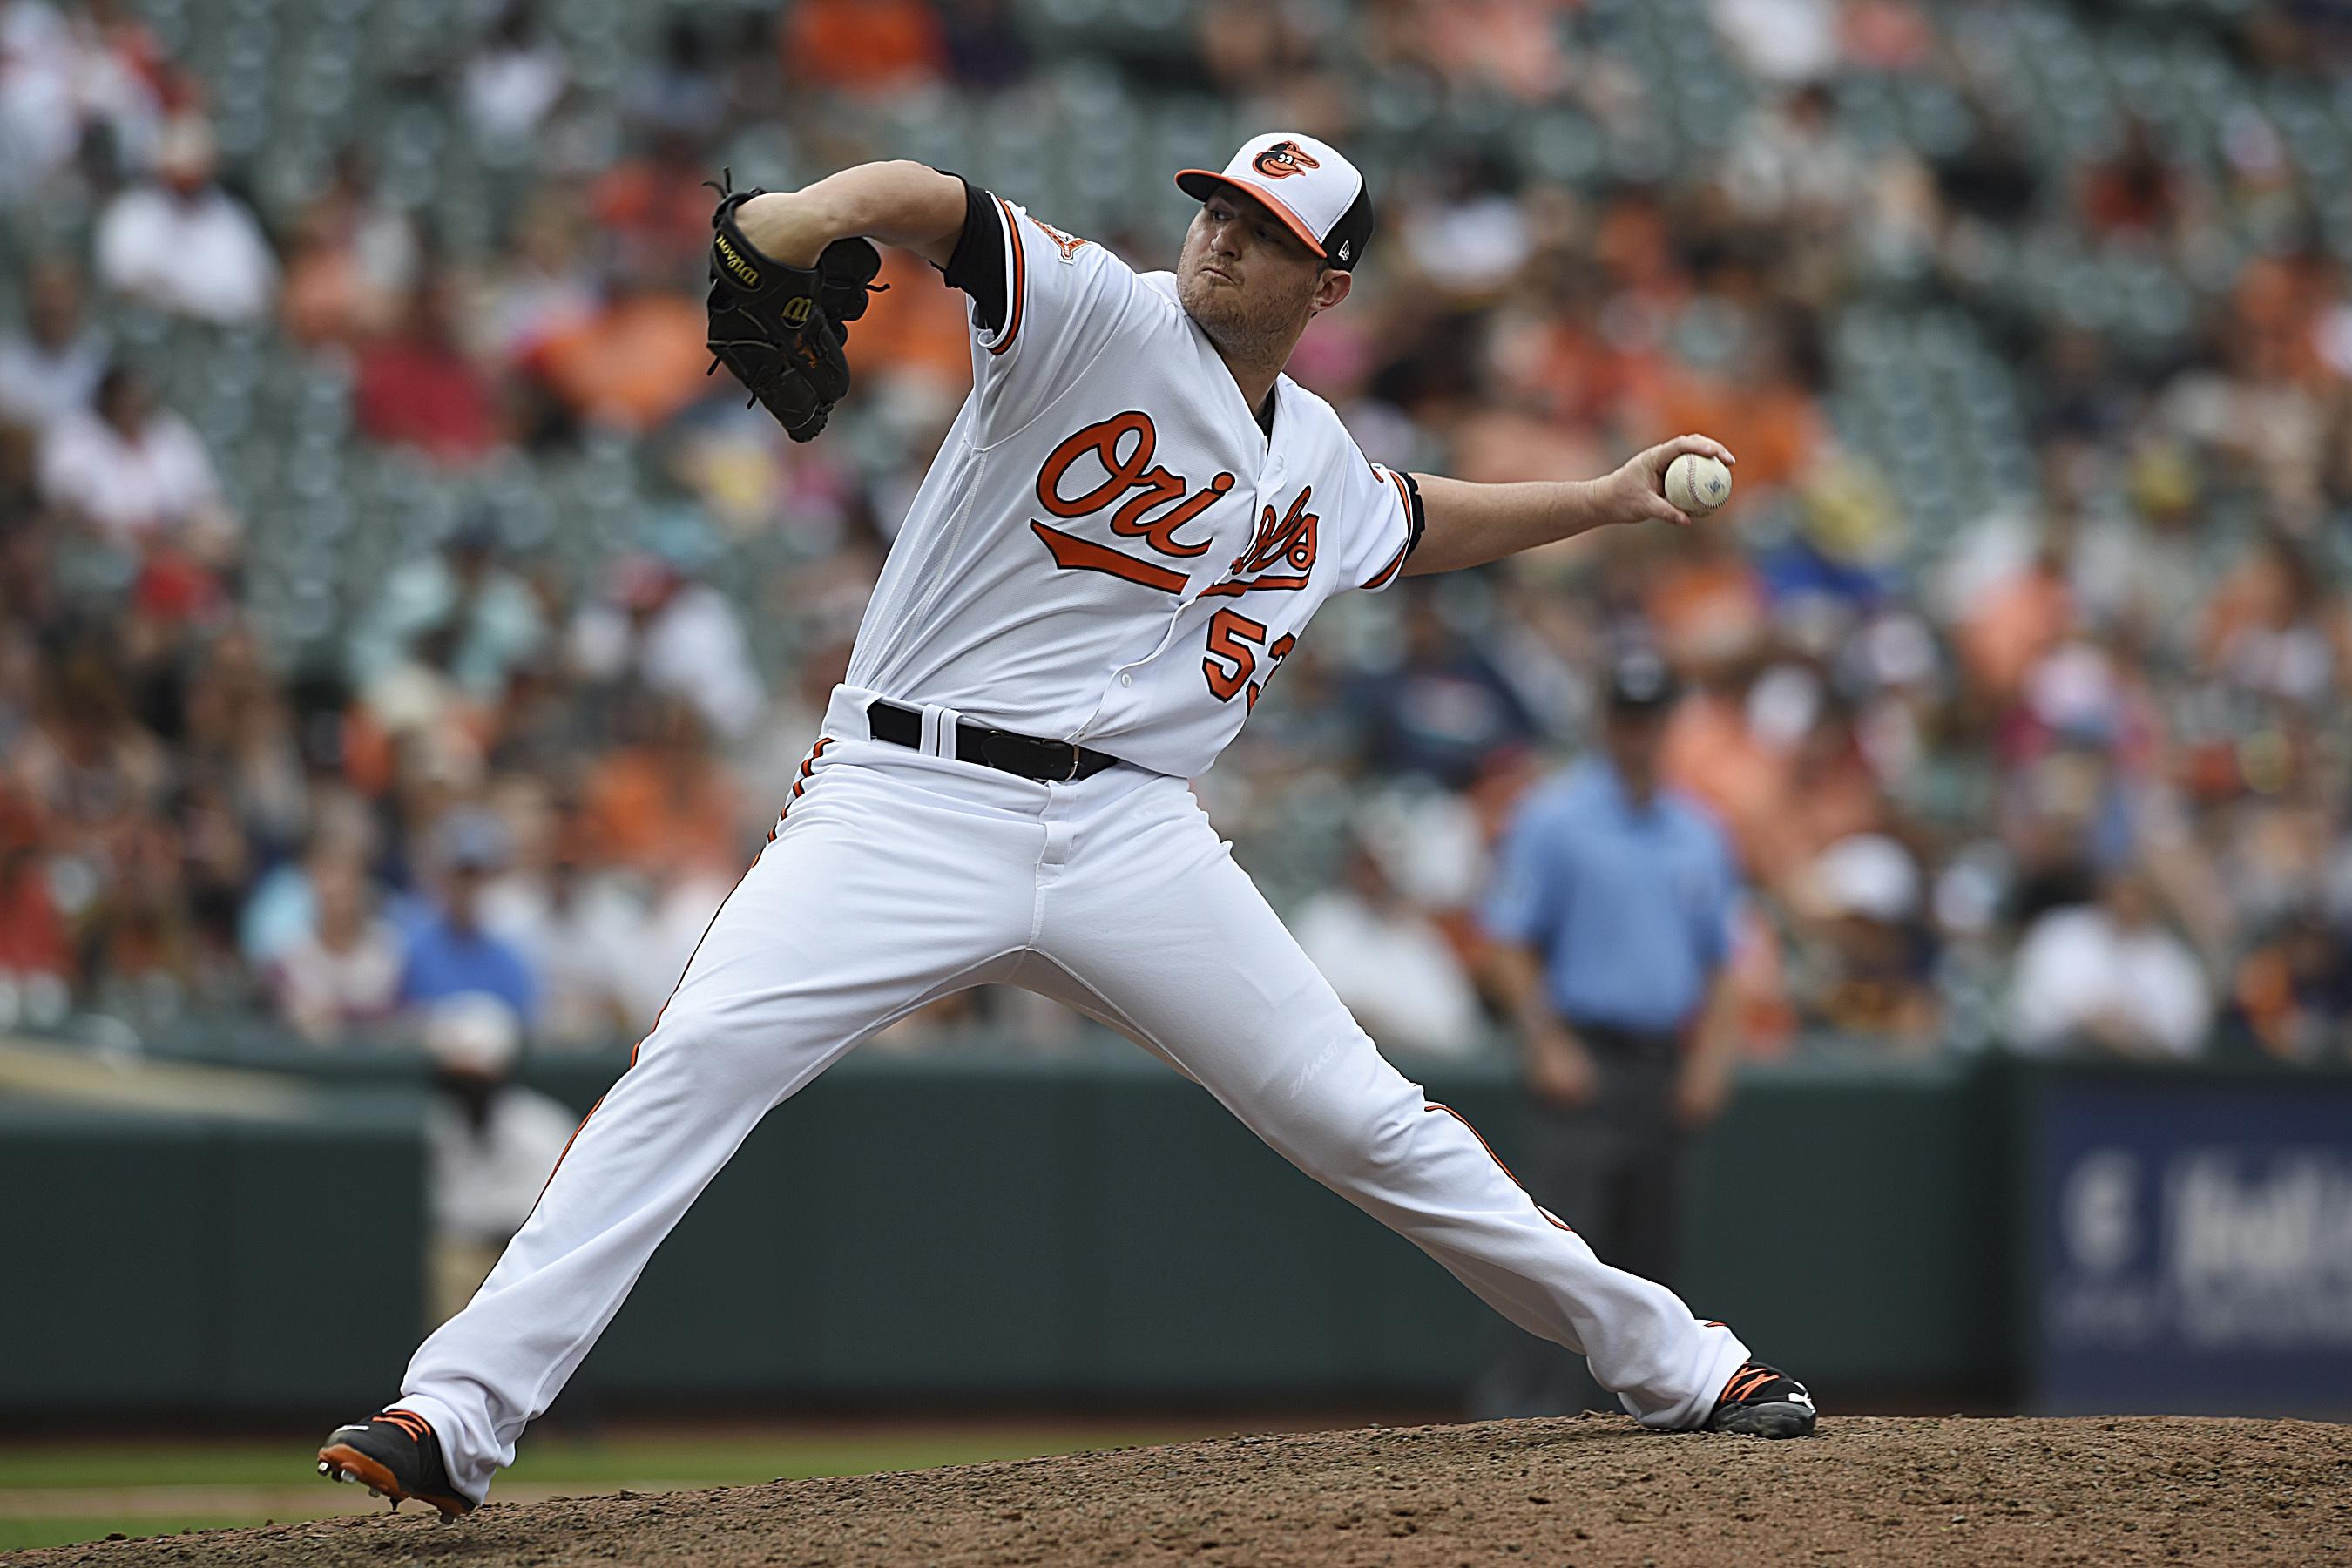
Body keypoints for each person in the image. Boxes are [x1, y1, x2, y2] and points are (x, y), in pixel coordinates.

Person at [318, 134, 1813, 1522]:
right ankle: (453, 1413)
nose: (1224, 237)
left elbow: (1418, 521)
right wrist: (798, 221)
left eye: (1267, 230)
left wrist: (1608, 500)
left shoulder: (1312, 459)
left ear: (1328, 285)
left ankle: (1684, 1361)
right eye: (1218, 208)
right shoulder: (1096, 310)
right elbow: (931, 199)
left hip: (1130, 835)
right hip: (907, 795)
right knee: (697, 1059)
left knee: (1360, 1116)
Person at [1471, 646, 1747, 1418]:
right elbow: (1506, 945)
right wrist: (1547, 1042)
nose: (1640, 734)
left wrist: (1713, 1061)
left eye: (1651, 719)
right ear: (1605, 724)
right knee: (1556, 1261)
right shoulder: (1555, 817)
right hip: (1585, 1061)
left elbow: (1726, 962)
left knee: (1653, 1264)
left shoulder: (1699, 831)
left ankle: (1648, 1435)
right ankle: (1519, 1423)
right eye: (1628, 719)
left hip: (1664, 1065)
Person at [417, 993, 581, 1327]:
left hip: (523, 1260)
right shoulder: (434, 1126)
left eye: (476, 1072)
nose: (467, 1084)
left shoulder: (542, 1126)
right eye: (457, 1072)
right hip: (457, 1253)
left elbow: (560, 1218)